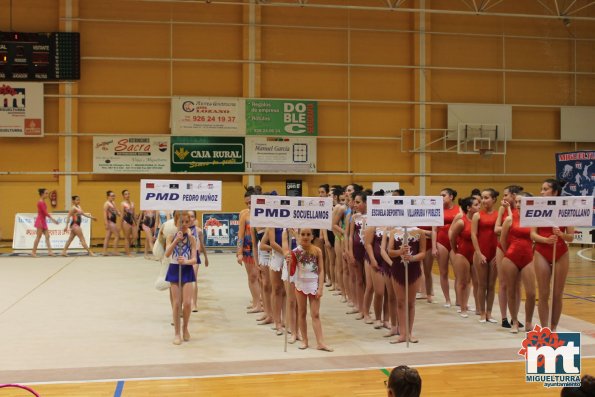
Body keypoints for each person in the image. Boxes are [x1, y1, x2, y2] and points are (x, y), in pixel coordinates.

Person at [531, 179, 574, 331]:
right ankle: (545, 329)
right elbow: (533, 235)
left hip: (561, 252)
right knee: (543, 293)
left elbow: (571, 237)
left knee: (557, 293)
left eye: (545, 189)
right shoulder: (537, 208)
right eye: (541, 189)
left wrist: (561, 234)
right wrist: (546, 240)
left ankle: (554, 327)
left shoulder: (565, 209)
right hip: (542, 251)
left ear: (555, 192)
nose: (541, 192)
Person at [286, 228, 333, 352]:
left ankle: (320, 342)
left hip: (314, 285)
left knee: (315, 314)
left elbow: (322, 270)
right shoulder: (295, 252)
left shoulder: (317, 251)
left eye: (308, 234)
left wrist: (320, 288)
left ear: (312, 236)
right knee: (301, 313)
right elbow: (291, 273)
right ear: (299, 236)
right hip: (300, 285)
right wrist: (289, 262)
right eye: (303, 234)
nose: (305, 237)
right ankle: (305, 340)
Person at [500, 191, 536, 334]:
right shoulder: (509, 218)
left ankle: (528, 322)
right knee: (512, 290)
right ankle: (514, 321)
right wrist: (509, 254)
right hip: (511, 256)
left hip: (528, 257)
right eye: (518, 202)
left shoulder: (534, 219)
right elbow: (502, 240)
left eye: (522, 202)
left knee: (532, 293)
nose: (519, 204)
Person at [383, 226, 426, 343]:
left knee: (411, 303)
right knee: (400, 302)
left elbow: (423, 253)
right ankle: (402, 333)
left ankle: (410, 333)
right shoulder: (393, 232)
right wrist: (400, 252)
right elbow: (390, 252)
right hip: (398, 270)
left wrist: (412, 257)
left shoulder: (419, 232)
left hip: (413, 270)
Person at [164, 212, 197, 345]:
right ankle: (177, 332)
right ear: (176, 223)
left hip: (187, 270)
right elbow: (167, 254)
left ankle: (185, 327)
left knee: (188, 303)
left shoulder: (191, 238)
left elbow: (194, 259)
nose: (183, 225)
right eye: (180, 222)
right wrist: (176, 241)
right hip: (174, 269)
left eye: (186, 222)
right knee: (177, 303)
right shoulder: (170, 237)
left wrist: (187, 261)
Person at [471, 188, 499, 323]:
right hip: (481, 253)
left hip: (495, 253)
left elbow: (502, 235)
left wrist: (499, 254)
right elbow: (473, 235)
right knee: (482, 284)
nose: (483, 201)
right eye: (482, 198)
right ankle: (482, 312)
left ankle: (489, 312)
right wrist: (478, 253)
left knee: (492, 285)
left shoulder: (499, 215)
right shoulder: (477, 215)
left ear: (494, 199)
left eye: (486, 197)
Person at [449, 196, 481, 318]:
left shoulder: (479, 220)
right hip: (462, 253)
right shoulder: (462, 222)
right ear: (468, 208)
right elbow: (452, 236)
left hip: (475, 253)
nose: (479, 206)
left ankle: (479, 308)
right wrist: (455, 250)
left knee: (477, 282)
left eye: (479, 204)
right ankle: (463, 307)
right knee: (463, 281)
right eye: (476, 205)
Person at [433, 188, 460, 307]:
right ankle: (447, 299)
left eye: (443, 195)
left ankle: (459, 300)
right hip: (441, 241)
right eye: (439, 195)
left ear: (451, 197)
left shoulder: (458, 209)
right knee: (443, 272)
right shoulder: (437, 210)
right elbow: (434, 230)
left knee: (458, 273)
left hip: (454, 242)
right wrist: (434, 247)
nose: (441, 198)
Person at [237, 186, 261, 313]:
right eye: (247, 203)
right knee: (252, 276)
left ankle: (262, 302)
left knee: (260, 277)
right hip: (248, 249)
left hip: (262, 249)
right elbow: (240, 235)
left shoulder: (264, 213)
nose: (249, 205)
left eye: (251, 202)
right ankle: (256, 302)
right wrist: (239, 253)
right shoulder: (244, 214)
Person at [188, 210, 209, 313]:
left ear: (195, 218)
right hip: (185, 255)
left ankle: (194, 303)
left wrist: (206, 257)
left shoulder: (198, 230)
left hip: (195, 256)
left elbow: (202, 244)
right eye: (188, 216)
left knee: (194, 279)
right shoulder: (181, 230)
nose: (190, 218)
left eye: (192, 216)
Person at [31, 188, 60, 257]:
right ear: (42, 194)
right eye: (46, 193)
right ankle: (33, 252)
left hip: (43, 221)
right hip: (40, 221)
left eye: (47, 193)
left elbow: (45, 213)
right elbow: (45, 212)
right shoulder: (40, 202)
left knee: (47, 236)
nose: (47, 195)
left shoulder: (43, 201)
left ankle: (50, 252)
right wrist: (53, 220)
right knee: (38, 237)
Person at [102, 190, 120, 256]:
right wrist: (106, 224)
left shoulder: (113, 203)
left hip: (113, 221)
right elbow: (104, 214)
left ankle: (104, 251)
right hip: (110, 222)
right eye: (112, 196)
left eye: (114, 196)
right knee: (117, 235)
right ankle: (115, 251)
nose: (113, 197)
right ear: (108, 196)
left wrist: (121, 215)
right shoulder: (106, 204)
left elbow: (117, 211)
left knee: (107, 237)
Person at [121, 189, 137, 256]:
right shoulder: (122, 204)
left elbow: (133, 214)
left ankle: (127, 248)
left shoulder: (132, 203)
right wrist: (120, 224)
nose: (127, 195)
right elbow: (122, 214)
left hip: (132, 221)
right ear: (123, 196)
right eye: (126, 194)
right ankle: (128, 252)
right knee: (127, 237)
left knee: (135, 236)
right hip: (126, 221)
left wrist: (136, 222)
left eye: (128, 194)